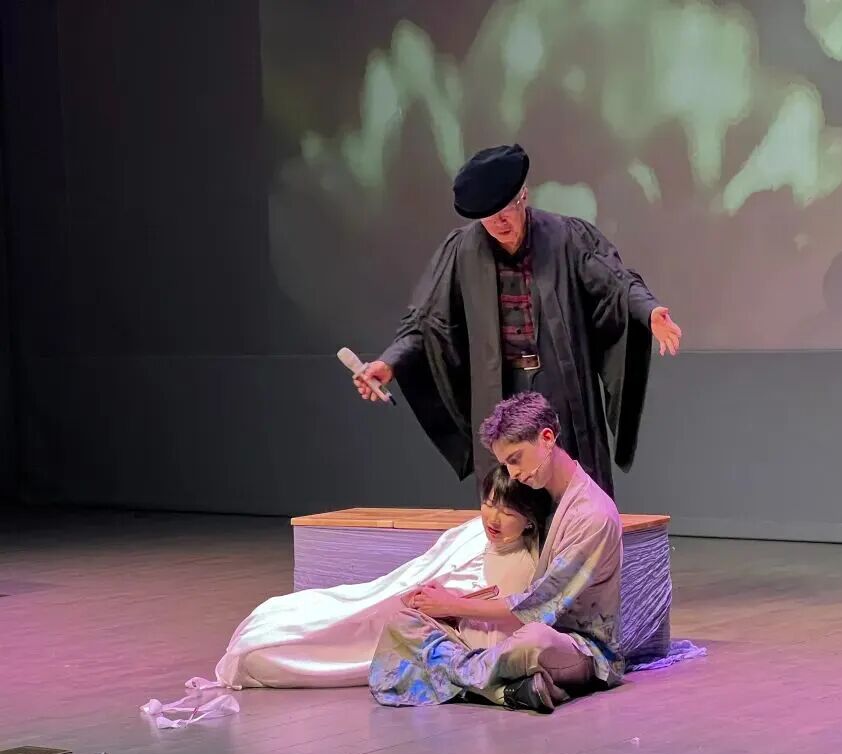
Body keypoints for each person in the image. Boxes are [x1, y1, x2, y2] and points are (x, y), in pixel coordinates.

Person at [353, 143, 682, 496]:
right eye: (489, 215)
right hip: (499, 389)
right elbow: (426, 322)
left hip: (560, 384)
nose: (500, 222)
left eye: (506, 209)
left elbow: (614, 282)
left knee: (572, 485)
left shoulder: (565, 238)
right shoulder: (463, 251)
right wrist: (389, 363)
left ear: (523, 195)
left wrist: (648, 311)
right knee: (507, 497)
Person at [368, 391, 623, 714]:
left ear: (547, 438)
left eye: (515, 459)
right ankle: (505, 691)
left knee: (534, 641)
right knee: (402, 623)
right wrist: (452, 605)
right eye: (506, 464)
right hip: (514, 634)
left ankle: (467, 680)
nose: (513, 473)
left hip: (575, 647)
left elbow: (538, 605)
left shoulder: (592, 515)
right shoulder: (542, 495)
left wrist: (453, 605)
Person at [203, 466, 551, 689]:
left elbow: (499, 624)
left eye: (508, 512)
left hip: (427, 629)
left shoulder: (523, 564)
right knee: (308, 615)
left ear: (529, 520)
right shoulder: (474, 532)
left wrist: (447, 606)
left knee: (276, 656)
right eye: (489, 503)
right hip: (397, 602)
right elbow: (416, 572)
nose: (493, 518)